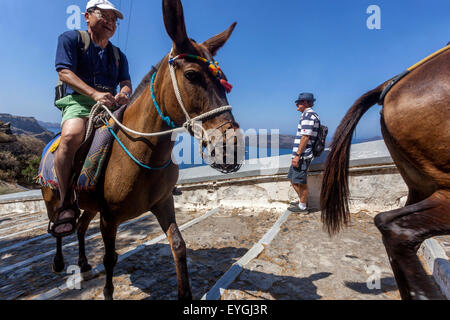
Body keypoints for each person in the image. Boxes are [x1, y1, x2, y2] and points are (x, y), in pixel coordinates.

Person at [51, 0, 132, 237]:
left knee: (137, 129)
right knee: (72, 136)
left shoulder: (118, 55)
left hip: (111, 105)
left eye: (114, 20)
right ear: (87, 16)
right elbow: (64, 72)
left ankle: (158, 183)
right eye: (104, 16)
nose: (110, 23)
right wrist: (94, 93)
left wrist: (124, 94)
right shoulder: (71, 39)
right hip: (78, 101)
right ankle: (66, 202)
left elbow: (126, 82)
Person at [287, 93, 320, 214]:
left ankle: (303, 207)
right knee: (292, 178)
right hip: (300, 155)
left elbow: (305, 137)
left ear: (305, 103)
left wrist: (297, 155)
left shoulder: (308, 116)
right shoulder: (307, 115)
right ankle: (303, 201)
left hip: (302, 155)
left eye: (299, 102)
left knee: (300, 181)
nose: (296, 104)